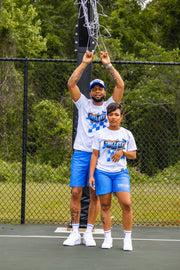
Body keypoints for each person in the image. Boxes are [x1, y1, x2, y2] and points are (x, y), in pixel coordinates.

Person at [63, 50, 124, 247]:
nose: (97, 92)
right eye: (94, 89)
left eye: (100, 89)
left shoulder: (109, 106)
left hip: (100, 155)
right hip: (81, 153)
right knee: (75, 192)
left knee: (96, 194)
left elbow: (120, 85)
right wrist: (84, 63)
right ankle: (74, 232)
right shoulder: (82, 104)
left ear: (104, 92)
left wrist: (108, 64)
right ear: (90, 92)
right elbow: (71, 84)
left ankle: (89, 232)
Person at [89, 102, 137, 250]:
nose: (113, 117)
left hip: (120, 173)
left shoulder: (127, 134)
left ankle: (127, 239)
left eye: (116, 114)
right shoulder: (100, 134)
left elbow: (133, 155)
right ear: (107, 117)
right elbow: (95, 155)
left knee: (127, 204)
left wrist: (123, 152)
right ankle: (107, 238)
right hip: (102, 172)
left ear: (121, 117)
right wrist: (91, 175)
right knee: (105, 205)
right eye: (110, 115)